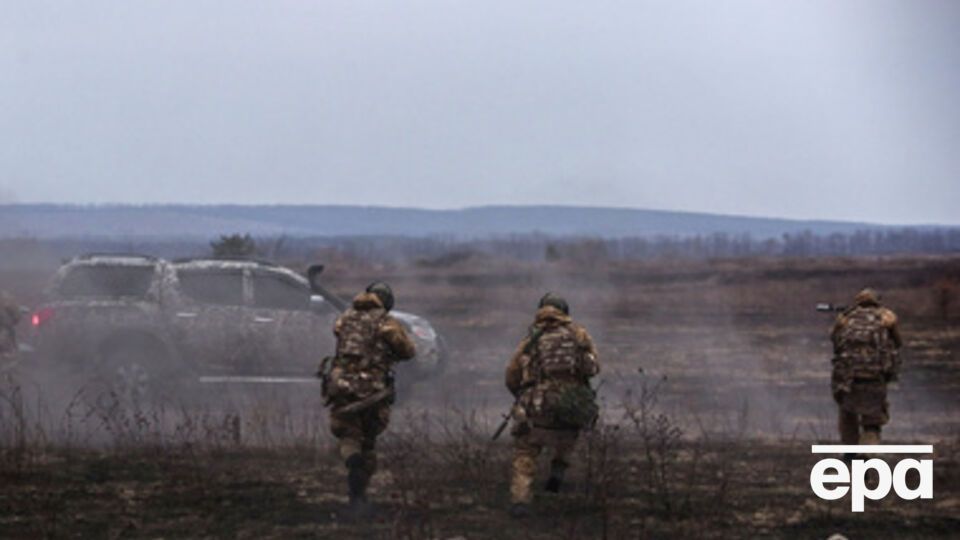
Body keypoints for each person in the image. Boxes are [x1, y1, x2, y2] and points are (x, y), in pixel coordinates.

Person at [322, 282, 416, 514]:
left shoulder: (344, 318)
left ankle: (353, 465)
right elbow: (408, 351)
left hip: (341, 386)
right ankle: (359, 494)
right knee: (369, 441)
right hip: (373, 391)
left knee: (348, 434)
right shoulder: (387, 323)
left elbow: (338, 333)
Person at [504, 293, 600, 517]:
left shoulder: (531, 339)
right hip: (571, 402)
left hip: (537, 404)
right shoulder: (579, 334)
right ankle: (556, 476)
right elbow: (593, 368)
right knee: (566, 439)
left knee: (526, 452)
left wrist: (520, 394)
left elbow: (512, 374)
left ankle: (521, 500)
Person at [830, 288, 902, 452]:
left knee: (848, 418)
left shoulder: (846, 319)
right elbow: (898, 344)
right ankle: (867, 453)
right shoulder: (886, 318)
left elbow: (836, 343)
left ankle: (850, 457)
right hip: (875, 378)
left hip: (848, 380)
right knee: (871, 424)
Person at [0, 290, 21, 362]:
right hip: (5, 325)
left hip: (5, 325)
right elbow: (16, 313)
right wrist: (15, 320)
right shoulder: (6, 297)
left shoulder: (6, 298)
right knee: (11, 337)